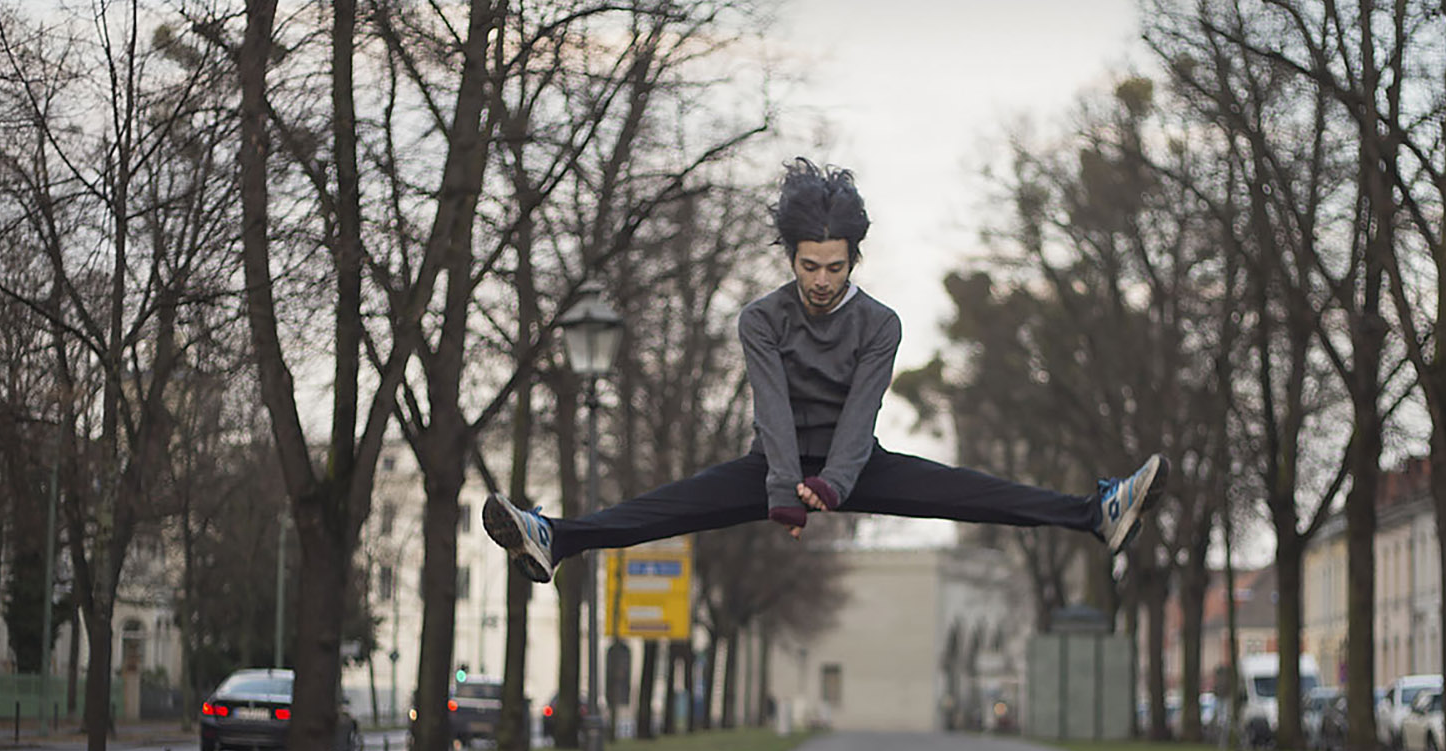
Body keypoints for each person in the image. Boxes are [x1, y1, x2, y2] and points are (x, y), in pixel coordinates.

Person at [481, 158, 1165, 582]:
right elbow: (772, 409)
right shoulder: (761, 319)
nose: (821, 279)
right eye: (809, 265)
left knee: (972, 491)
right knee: (666, 506)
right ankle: (555, 536)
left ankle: (1097, 513)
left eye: (835, 266)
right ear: (790, 256)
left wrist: (832, 486)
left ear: (853, 258)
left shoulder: (880, 325)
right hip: (775, 461)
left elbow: (860, 416)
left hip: (855, 461)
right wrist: (784, 488)